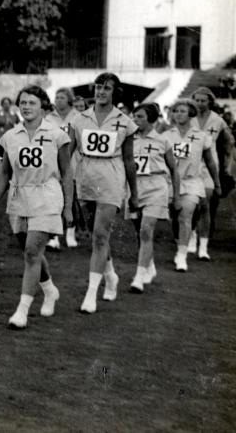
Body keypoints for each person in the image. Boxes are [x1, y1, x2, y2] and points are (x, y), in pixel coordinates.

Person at [0, 86, 72, 329]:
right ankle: (49, 289)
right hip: (20, 197)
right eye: (22, 102)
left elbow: (67, 172)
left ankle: (21, 311)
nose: (26, 107)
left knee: (32, 252)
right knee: (30, 249)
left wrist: (67, 208)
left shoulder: (57, 135)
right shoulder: (11, 136)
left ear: (43, 106)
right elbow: (4, 172)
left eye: (32, 102)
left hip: (47, 195)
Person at [67, 72, 138, 314]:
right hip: (85, 178)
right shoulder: (79, 119)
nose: (101, 92)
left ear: (114, 92)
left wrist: (134, 193)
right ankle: (110, 275)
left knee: (100, 235)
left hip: (111, 177)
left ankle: (90, 294)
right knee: (95, 235)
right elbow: (67, 153)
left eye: (107, 88)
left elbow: (129, 160)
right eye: (98, 87)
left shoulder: (125, 121)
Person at [162, 98, 221, 272]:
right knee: (175, 216)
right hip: (170, 182)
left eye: (182, 111)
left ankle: (181, 256)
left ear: (191, 114)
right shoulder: (166, 136)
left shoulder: (202, 136)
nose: (178, 114)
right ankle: (185, 239)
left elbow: (210, 162)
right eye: (175, 111)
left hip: (192, 181)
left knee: (185, 216)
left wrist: (216, 183)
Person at [127, 103, 178, 292]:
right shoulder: (128, 139)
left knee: (146, 230)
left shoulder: (162, 141)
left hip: (156, 186)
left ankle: (138, 278)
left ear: (151, 119)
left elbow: (173, 169)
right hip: (134, 188)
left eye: (139, 117)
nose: (135, 120)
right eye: (134, 116)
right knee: (139, 232)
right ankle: (150, 266)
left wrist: (176, 195)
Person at [190, 87, 234, 259]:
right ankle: (191, 238)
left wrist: (226, 167)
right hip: (190, 166)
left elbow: (228, 143)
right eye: (197, 100)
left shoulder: (218, 121)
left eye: (203, 100)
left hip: (210, 166)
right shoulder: (188, 118)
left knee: (205, 205)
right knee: (190, 205)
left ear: (210, 102)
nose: (200, 103)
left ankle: (203, 247)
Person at [44, 87, 84, 249]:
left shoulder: (78, 117)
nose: (58, 100)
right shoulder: (48, 118)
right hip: (52, 161)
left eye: (61, 97)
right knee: (53, 198)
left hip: (73, 161)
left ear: (69, 100)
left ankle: (70, 233)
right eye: (56, 97)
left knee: (71, 198)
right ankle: (53, 235)